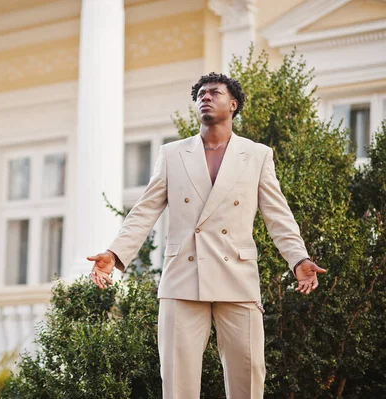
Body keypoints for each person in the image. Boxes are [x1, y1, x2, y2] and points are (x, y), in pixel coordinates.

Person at [87, 72, 327, 399]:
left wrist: (298, 258)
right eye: (200, 93)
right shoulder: (172, 154)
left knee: (249, 378)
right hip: (183, 277)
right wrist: (114, 254)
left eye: (214, 92)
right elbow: (144, 210)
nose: (206, 97)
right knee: (177, 382)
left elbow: (278, 214)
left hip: (237, 278)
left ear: (233, 103)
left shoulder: (257, 155)